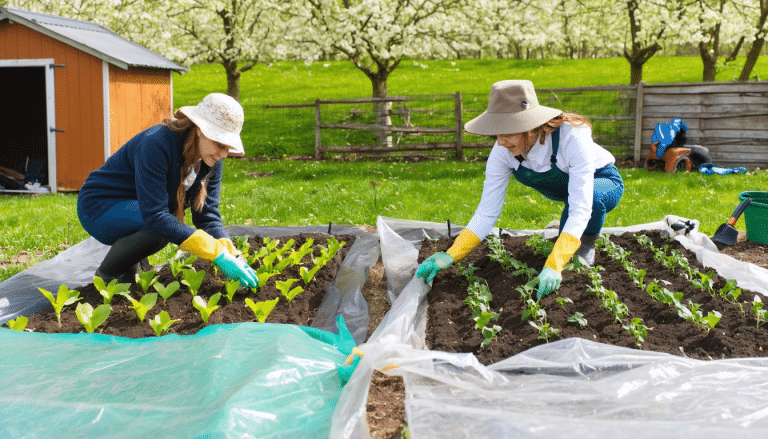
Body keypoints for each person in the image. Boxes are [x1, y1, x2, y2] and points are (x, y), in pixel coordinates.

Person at [416, 80, 624, 299]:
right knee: (570, 217)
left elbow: (581, 206)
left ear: (531, 126)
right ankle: (567, 236)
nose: (501, 142)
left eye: (507, 132)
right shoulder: (502, 151)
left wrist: (554, 263)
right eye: (497, 133)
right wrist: (451, 254)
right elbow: (487, 211)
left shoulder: (572, 136)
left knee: (587, 202)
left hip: (601, 180)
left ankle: (586, 245)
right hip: (566, 191)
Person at [77, 93, 258, 288]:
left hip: (137, 209)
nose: (223, 154)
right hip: (100, 207)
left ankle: (128, 272)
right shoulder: (156, 143)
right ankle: (105, 278)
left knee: (164, 226)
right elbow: (155, 215)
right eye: (220, 144)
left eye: (228, 147)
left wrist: (230, 252)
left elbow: (207, 216)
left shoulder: (211, 159)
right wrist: (215, 253)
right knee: (160, 229)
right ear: (199, 130)